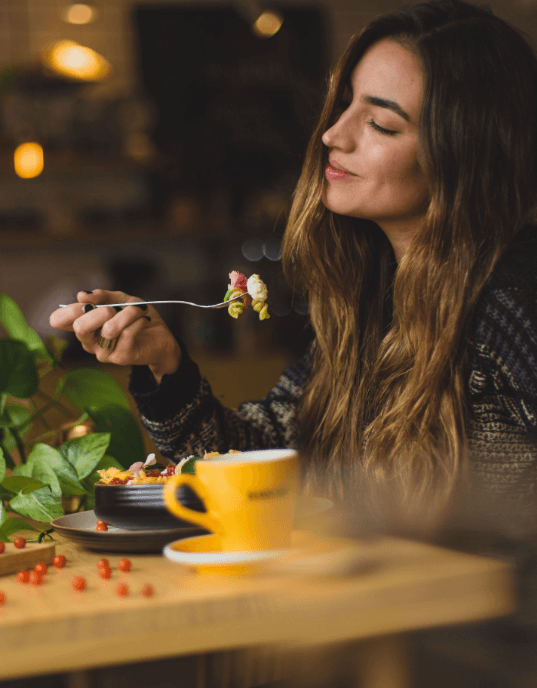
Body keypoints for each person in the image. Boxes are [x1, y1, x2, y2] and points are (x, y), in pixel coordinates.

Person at [50, 0, 537, 540]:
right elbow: (265, 459)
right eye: (345, 102)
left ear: (465, 155)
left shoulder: (513, 296)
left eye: (379, 123)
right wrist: (166, 367)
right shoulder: (373, 302)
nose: (334, 134)